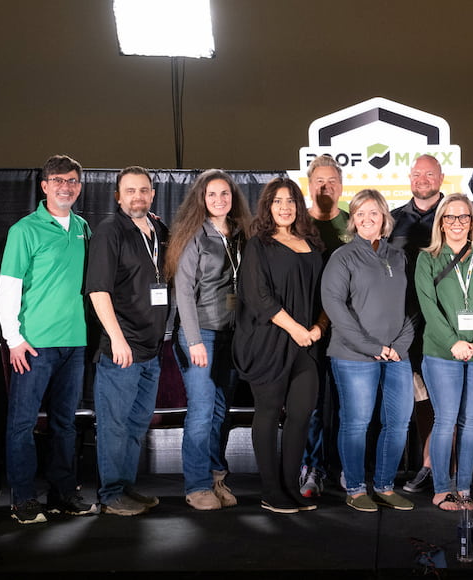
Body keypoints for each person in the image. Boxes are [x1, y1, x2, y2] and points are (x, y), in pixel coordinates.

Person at [0, 154, 96, 524]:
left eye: (72, 181)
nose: (65, 187)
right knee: (22, 423)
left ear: (79, 187)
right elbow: (8, 287)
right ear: (44, 186)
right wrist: (13, 339)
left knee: (65, 424)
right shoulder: (25, 230)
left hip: (75, 342)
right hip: (34, 344)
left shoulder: (83, 228)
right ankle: (23, 499)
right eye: (58, 180)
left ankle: (61, 494)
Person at [233, 177, 327, 514]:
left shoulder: (313, 244)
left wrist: (317, 327)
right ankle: (270, 491)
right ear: (267, 207)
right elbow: (259, 296)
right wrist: (296, 329)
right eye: (277, 201)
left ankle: (290, 487)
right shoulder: (258, 245)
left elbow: (324, 295)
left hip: (307, 344)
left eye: (290, 200)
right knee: (269, 414)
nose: (284, 207)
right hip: (269, 342)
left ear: (299, 206)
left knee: (301, 415)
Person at [321, 189, 416, 512]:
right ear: (352, 220)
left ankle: (386, 487)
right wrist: (372, 347)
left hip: (396, 356)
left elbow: (408, 308)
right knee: (357, 422)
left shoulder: (398, 256)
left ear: (385, 218)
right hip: (354, 356)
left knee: (399, 422)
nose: (366, 219)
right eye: (360, 214)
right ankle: (357, 488)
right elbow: (334, 306)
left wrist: (399, 346)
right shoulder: (343, 257)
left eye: (373, 213)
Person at [164, 169, 251, 511]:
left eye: (225, 194)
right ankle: (197, 485)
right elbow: (183, 291)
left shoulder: (241, 233)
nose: (219, 200)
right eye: (212, 194)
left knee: (220, 411)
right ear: (201, 198)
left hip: (232, 333)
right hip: (198, 333)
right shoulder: (193, 235)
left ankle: (217, 478)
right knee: (200, 410)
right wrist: (195, 340)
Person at [85, 166, 169, 516]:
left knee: (136, 425)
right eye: (130, 191)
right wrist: (117, 340)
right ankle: (110, 494)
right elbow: (98, 290)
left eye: (144, 190)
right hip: (122, 350)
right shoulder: (109, 231)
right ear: (118, 196)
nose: (138, 196)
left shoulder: (159, 229)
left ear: (152, 193)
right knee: (114, 424)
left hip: (151, 350)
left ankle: (126, 488)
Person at [416, 193, 473, 511]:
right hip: (441, 350)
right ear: (440, 222)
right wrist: (454, 342)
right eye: (449, 217)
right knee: (446, 419)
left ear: (472, 222)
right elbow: (428, 307)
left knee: (469, 421)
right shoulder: (428, 259)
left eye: (463, 217)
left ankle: (464, 490)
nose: (456, 223)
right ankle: (441, 490)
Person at [389, 154, 446, 494]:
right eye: (417, 174)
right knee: (423, 399)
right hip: (406, 327)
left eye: (430, 173)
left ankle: (443, 471)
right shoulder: (393, 220)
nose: (423, 179)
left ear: (441, 177)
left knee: (449, 400)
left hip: (449, 327)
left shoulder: (458, 216)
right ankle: (428, 465)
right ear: (409, 178)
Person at [299, 154, 351, 498]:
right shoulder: (297, 225)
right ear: (309, 185)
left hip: (349, 330)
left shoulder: (355, 223)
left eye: (332, 181)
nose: (326, 187)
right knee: (312, 404)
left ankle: (350, 468)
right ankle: (313, 468)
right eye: (319, 181)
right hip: (309, 331)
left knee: (351, 404)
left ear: (342, 186)